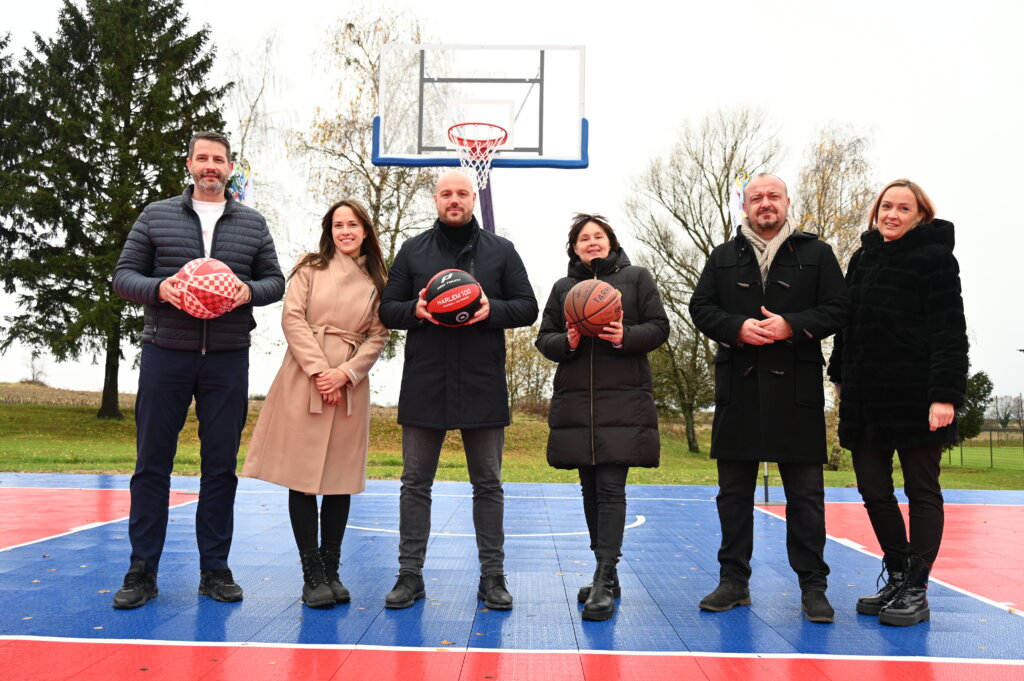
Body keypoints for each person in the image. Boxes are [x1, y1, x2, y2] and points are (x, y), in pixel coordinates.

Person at [110, 131, 285, 609]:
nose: (211, 166)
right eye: (203, 158)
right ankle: (142, 569)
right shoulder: (156, 215)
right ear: (189, 164)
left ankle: (215, 569)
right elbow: (123, 275)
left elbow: (275, 281)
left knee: (220, 467)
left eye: (219, 160)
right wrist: (163, 289)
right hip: (167, 352)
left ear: (230, 168)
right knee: (152, 465)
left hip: (227, 357)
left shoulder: (252, 223)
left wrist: (245, 291)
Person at [689, 173, 848, 623]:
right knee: (733, 494)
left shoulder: (817, 253)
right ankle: (733, 582)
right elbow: (701, 307)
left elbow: (839, 307)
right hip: (737, 387)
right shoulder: (722, 256)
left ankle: (813, 587)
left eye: (772, 196)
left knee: (806, 496)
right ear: (745, 206)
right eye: (756, 197)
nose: (765, 204)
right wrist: (736, 328)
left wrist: (791, 325)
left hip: (795, 389)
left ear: (786, 202)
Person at [378, 169, 538, 610]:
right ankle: (410, 576)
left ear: (472, 199)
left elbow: (528, 307)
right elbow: (388, 309)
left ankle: (493, 578)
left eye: (462, 193)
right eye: (446, 193)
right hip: (426, 379)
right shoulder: (413, 250)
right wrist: (419, 309)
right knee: (414, 483)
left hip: (482, 380)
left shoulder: (501, 251)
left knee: (488, 484)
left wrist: (490, 309)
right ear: (435, 199)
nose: (454, 200)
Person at [828, 179, 967, 627]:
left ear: (919, 214)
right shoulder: (863, 257)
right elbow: (847, 323)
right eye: (885, 206)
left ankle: (917, 589)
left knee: (922, 491)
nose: (891, 214)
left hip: (916, 397)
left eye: (902, 208)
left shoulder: (935, 259)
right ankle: (899, 571)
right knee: (872, 489)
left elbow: (949, 331)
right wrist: (840, 375)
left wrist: (944, 395)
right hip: (866, 398)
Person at [242, 199, 389, 608]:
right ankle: (311, 575)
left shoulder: (378, 278)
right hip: (304, 379)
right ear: (330, 230)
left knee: (339, 479)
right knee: (303, 477)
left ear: (364, 231)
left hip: (349, 386)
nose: (345, 231)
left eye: (353, 225)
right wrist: (321, 370)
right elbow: (293, 318)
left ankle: (332, 569)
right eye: (338, 225)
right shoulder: (309, 268)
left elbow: (379, 335)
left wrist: (345, 374)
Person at [536, 214, 669, 621]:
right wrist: (569, 340)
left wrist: (625, 336)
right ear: (574, 247)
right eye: (583, 238)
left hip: (622, 402)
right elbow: (545, 339)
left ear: (610, 242)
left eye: (598, 236)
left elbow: (660, 327)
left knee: (611, 487)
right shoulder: (564, 289)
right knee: (590, 489)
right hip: (578, 402)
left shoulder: (638, 279)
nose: (591, 242)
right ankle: (605, 573)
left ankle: (603, 576)